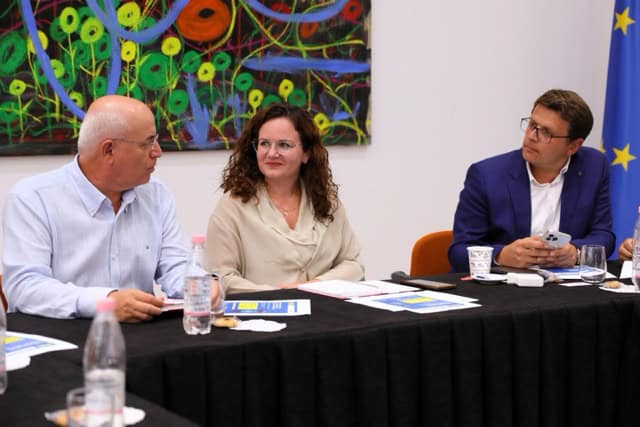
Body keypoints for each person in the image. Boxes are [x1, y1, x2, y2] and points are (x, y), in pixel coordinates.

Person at [2, 95, 218, 322]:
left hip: (144, 334)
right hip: (63, 334)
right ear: (108, 151)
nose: (157, 152)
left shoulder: (156, 194)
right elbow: (24, 287)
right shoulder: (33, 198)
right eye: (147, 143)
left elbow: (175, 265)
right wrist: (104, 302)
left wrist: (200, 284)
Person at [448, 89, 615, 272]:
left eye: (546, 132)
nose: (531, 136)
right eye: (532, 125)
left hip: (562, 283)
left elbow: (603, 235)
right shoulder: (486, 175)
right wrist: (500, 256)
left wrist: (575, 253)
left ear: (573, 146)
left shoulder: (594, 166)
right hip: (505, 284)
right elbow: (459, 251)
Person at [205, 103, 364, 293]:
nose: (272, 153)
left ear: (306, 153)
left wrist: (311, 287)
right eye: (264, 143)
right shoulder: (232, 206)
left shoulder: (326, 201)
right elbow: (220, 278)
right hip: (262, 310)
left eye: (284, 145)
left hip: (325, 309)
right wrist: (280, 296)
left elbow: (353, 265)